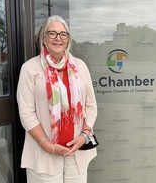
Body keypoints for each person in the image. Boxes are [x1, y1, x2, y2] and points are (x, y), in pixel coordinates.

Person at [17, 15, 97, 183]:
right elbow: (26, 113)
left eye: (63, 34)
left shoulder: (80, 67)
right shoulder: (30, 68)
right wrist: (47, 145)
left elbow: (91, 105)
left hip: (77, 150)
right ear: (43, 38)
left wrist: (84, 136)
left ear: (68, 39)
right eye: (52, 33)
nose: (58, 38)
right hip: (43, 153)